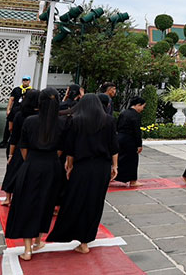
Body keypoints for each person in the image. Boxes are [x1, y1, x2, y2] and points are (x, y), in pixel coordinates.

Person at [47, 94, 118, 254]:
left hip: (82, 166)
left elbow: (70, 147)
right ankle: (85, 240)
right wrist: (115, 166)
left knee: (75, 200)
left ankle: (70, 232)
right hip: (101, 167)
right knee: (95, 203)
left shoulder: (75, 120)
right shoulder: (108, 121)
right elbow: (114, 146)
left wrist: (69, 165)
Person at [5, 87, 62, 261]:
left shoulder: (30, 121)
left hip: (32, 165)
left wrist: (31, 161)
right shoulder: (62, 123)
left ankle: (28, 249)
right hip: (52, 166)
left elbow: (24, 148)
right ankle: (39, 240)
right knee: (46, 202)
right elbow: (61, 149)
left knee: (27, 204)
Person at [0, 90, 40, 206]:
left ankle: (8, 198)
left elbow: (13, 133)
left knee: (12, 170)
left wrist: (11, 154)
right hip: (32, 147)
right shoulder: (40, 115)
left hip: (18, 146)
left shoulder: (19, 113)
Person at [115, 97, 145, 187]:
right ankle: (133, 181)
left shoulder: (123, 112)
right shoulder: (136, 115)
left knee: (120, 159)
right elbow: (137, 131)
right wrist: (139, 144)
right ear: (138, 105)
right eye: (143, 106)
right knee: (132, 160)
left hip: (120, 138)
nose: (143, 109)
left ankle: (113, 176)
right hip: (130, 140)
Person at [0, 75, 33, 151]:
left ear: (29, 81)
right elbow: (11, 99)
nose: (25, 81)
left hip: (24, 111)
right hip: (14, 110)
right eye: (24, 80)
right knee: (9, 126)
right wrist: (8, 109)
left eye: (27, 80)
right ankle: (5, 141)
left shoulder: (31, 91)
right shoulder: (17, 89)